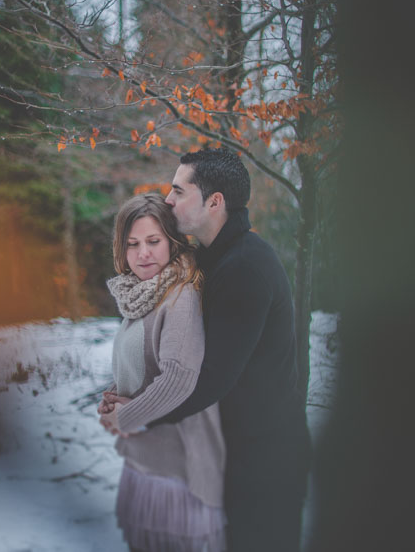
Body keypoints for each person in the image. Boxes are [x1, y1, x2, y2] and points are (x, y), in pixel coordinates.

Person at [104, 149, 312, 551]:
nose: (168, 199)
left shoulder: (245, 268)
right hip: (230, 455)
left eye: (179, 191)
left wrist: (132, 414)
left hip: (265, 464)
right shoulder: (209, 259)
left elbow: (208, 380)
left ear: (214, 201)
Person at [97, 193, 226, 552]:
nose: (143, 254)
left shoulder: (180, 297)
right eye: (132, 244)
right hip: (144, 460)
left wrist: (125, 417)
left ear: (172, 242)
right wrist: (113, 397)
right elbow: (142, 366)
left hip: (177, 470)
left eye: (153, 242)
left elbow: (177, 378)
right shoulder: (142, 295)